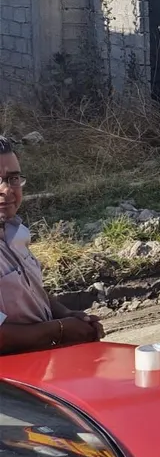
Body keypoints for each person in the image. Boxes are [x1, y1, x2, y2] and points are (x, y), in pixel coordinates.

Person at [0, 136, 104, 354]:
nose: (7, 190)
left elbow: (30, 292)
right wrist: (59, 330)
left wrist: (66, 314)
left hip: (37, 368)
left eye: (13, 179)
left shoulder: (13, 231)